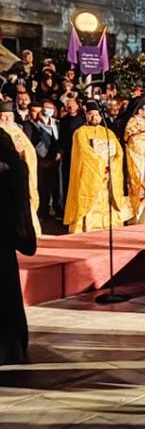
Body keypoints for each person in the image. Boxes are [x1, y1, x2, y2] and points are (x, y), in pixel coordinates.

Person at [63, 101, 131, 233]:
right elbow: (84, 152)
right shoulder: (80, 132)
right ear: (86, 115)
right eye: (90, 114)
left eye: (96, 114)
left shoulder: (108, 132)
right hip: (90, 175)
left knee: (108, 200)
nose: (94, 116)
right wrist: (101, 164)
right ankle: (87, 227)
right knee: (90, 200)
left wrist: (112, 164)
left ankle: (110, 224)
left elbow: (119, 152)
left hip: (109, 174)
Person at [0, 127, 37, 365]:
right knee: (9, 294)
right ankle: (13, 348)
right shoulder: (15, 168)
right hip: (6, 242)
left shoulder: (11, 170)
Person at [0, 101, 41, 237]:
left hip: (17, 173)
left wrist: (22, 152)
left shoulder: (17, 131)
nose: (6, 119)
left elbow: (30, 152)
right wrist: (12, 150)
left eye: (9, 116)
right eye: (3, 115)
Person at [23, 99, 62, 219]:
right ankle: (42, 212)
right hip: (39, 161)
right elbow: (31, 143)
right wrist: (43, 157)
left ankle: (56, 208)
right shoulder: (28, 125)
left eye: (39, 112)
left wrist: (59, 153)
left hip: (54, 160)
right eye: (34, 111)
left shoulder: (54, 124)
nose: (37, 114)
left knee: (55, 186)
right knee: (41, 187)